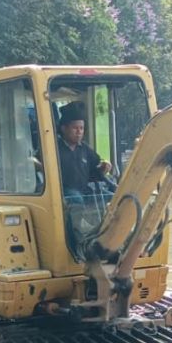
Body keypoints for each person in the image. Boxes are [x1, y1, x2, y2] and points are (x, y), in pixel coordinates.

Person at [56, 101, 114, 259]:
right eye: (75, 128)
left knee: (111, 196)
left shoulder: (85, 149)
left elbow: (95, 170)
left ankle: (108, 238)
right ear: (64, 128)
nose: (79, 132)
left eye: (81, 128)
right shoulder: (55, 148)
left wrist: (103, 167)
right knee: (75, 199)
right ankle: (78, 242)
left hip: (84, 190)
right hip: (64, 192)